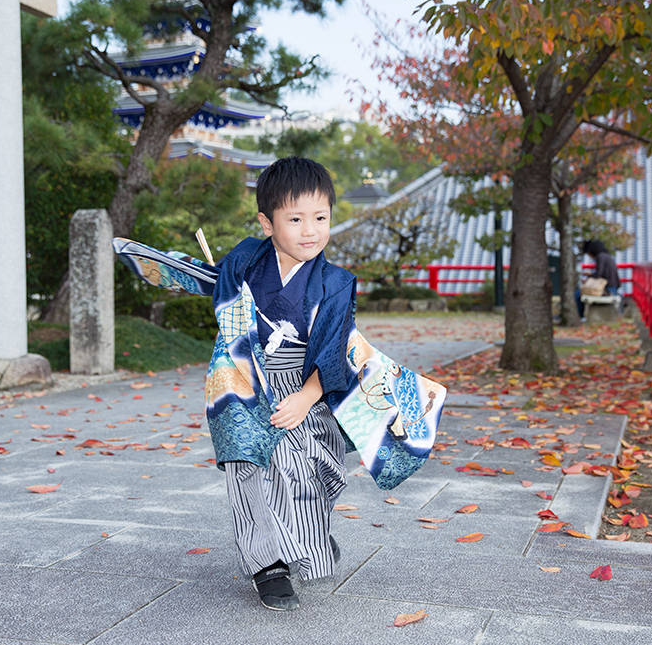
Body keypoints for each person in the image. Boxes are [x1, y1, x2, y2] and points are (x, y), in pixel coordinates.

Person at [112, 156, 445, 612]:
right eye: (295, 219)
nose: (311, 230)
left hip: (305, 379)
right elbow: (217, 286)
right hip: (242, 373)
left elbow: (331, 348)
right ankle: (267, 566)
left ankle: (302, 545)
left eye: (321, 217)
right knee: (247, 460)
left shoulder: (335, 282)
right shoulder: (247, 258)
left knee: (306, 463)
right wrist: (170, 267)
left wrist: (308, 398)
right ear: (266, 223)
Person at [577, 240, 621, 318]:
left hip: (607, 288)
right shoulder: (606, 256)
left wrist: (588, 276)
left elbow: (599, 274)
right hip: (612, 287)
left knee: (578, 294)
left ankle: (580, 316)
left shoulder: (600, 257)